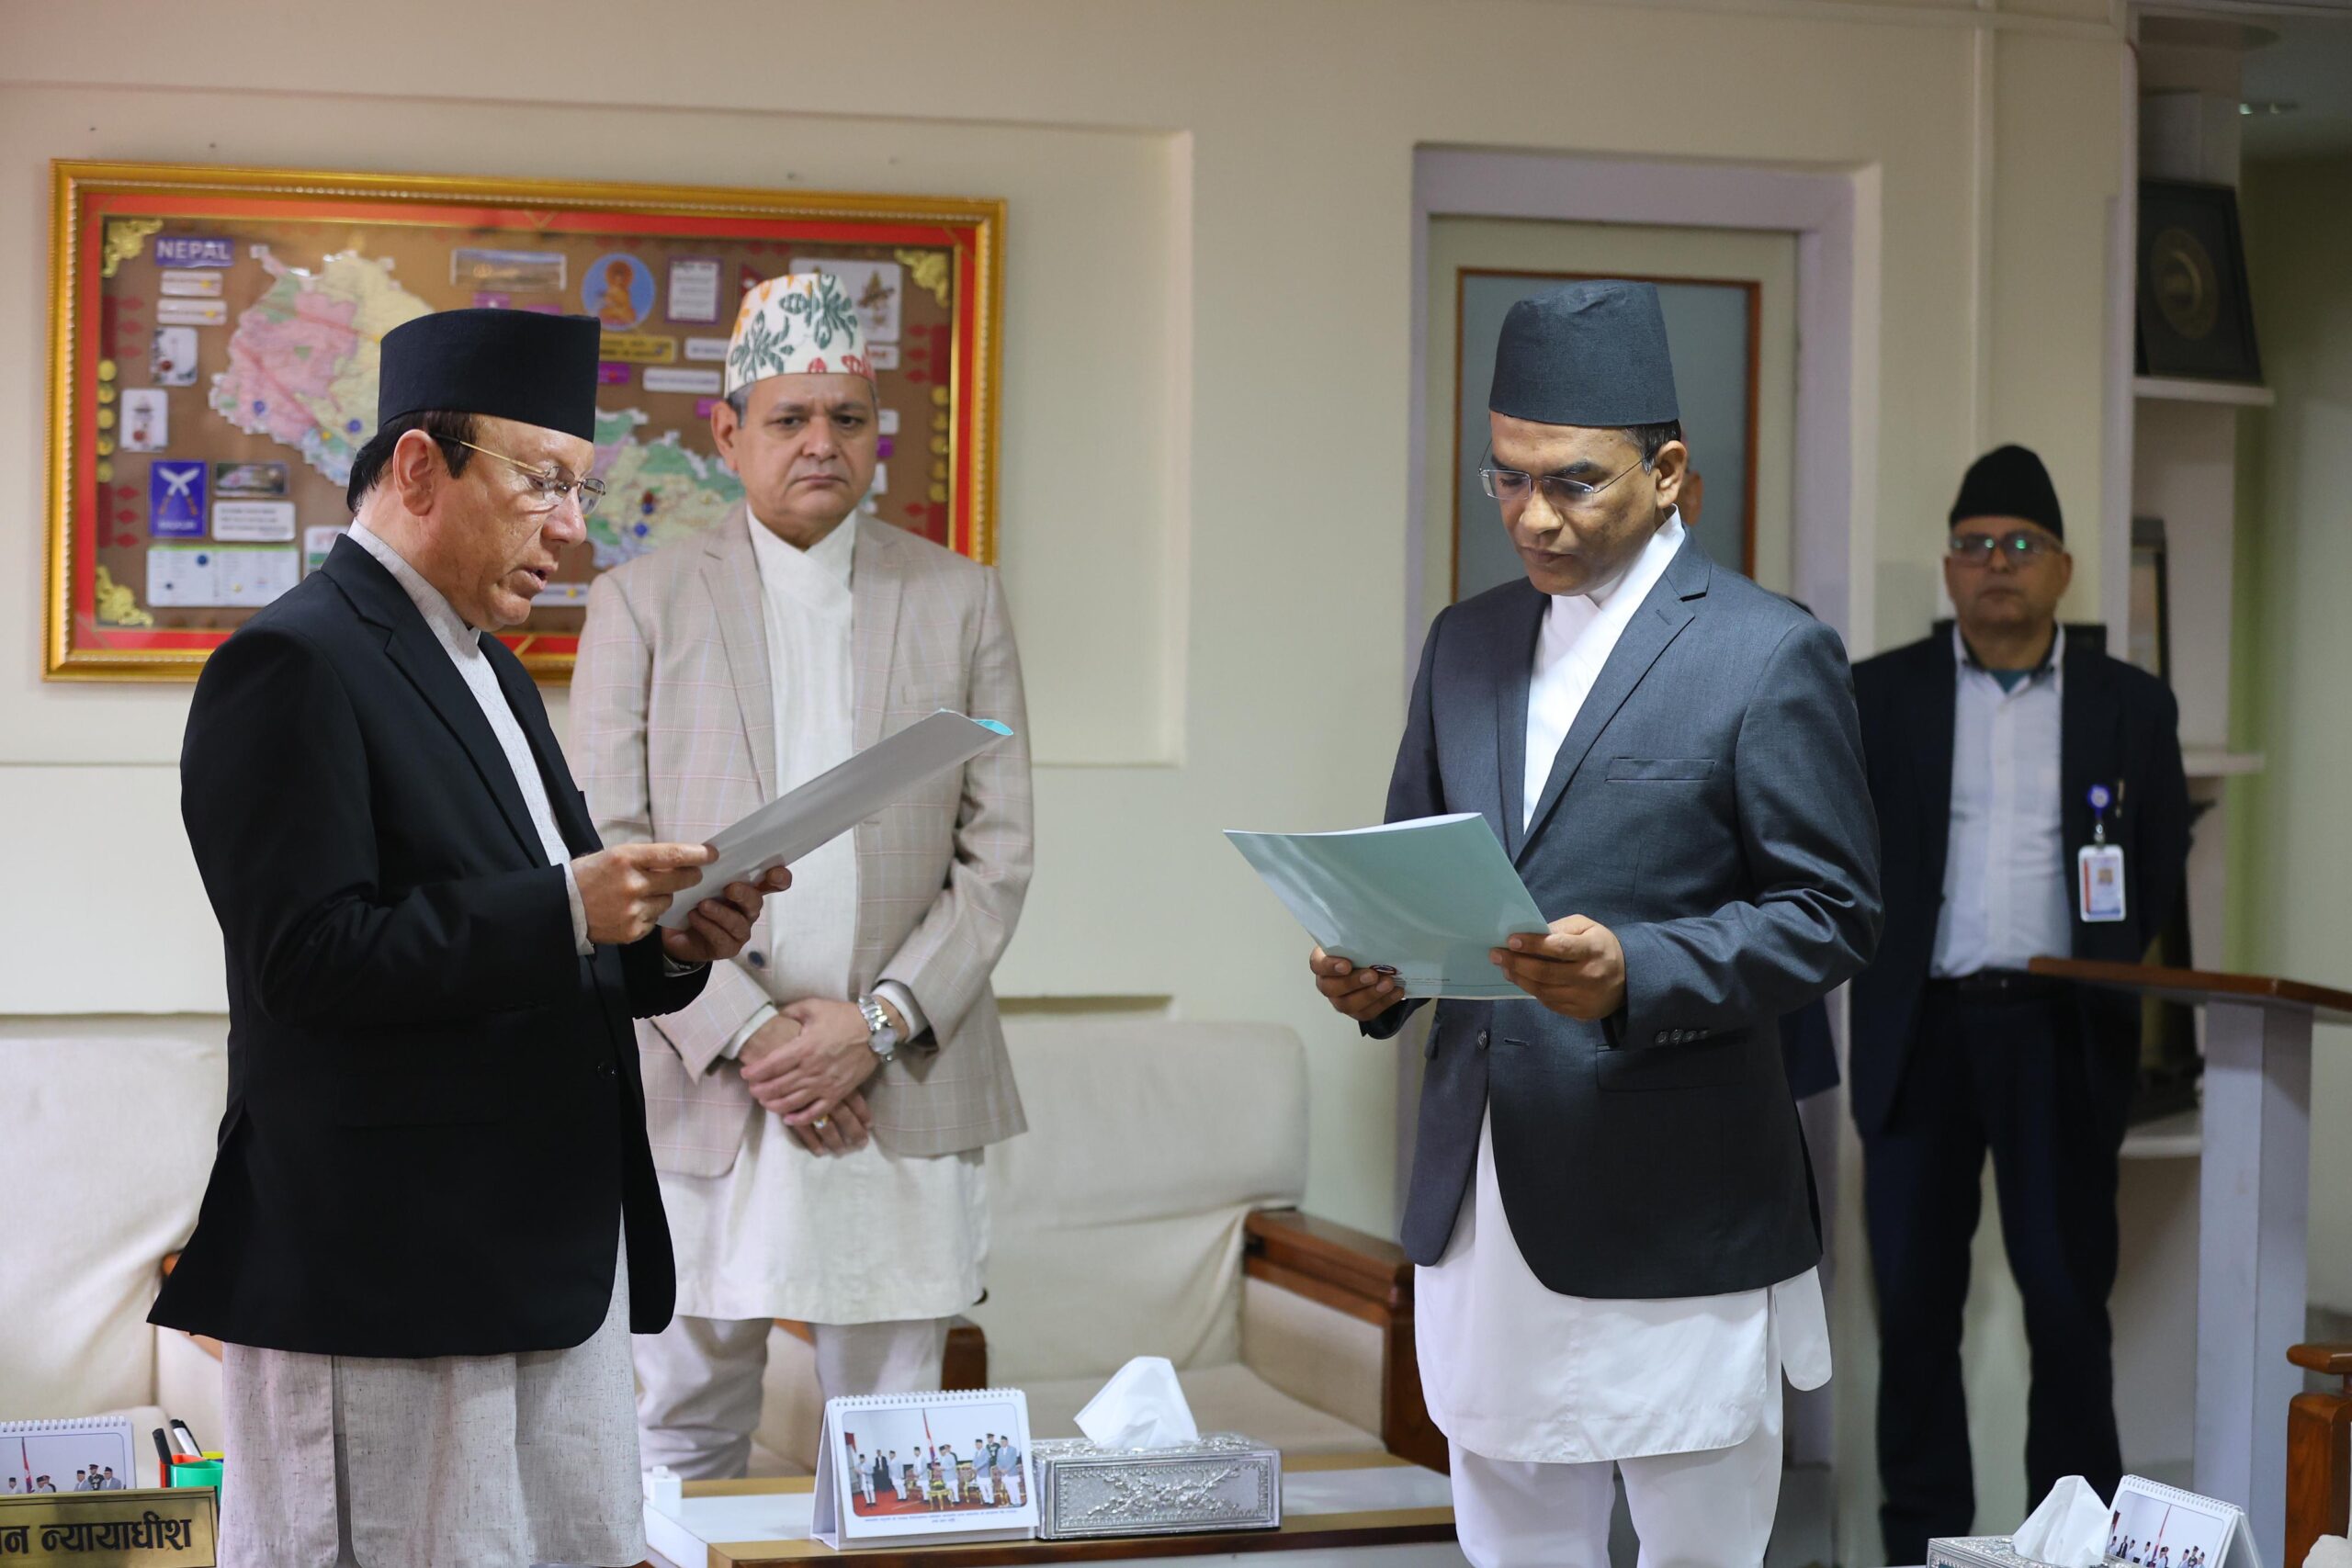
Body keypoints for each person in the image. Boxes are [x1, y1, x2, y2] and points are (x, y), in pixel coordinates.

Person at [151, 309, 785, 1568]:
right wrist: (567, 906)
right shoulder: (291, 662)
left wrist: (669, 944)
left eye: (583, 489)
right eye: (545, 480)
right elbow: (306, 960)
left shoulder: (489, 669)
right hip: (389, 1279)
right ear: (419, 467)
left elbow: (547, 937)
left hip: (545, 1264)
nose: (573, 526)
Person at [1309, 280, 1880, 1568]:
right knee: (1510, 1538)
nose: (1532, 515)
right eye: (1505, 479)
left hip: (1678, 1199)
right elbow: (1415, 872)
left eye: (1572, 482)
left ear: (1666, 472)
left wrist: (1640, 968)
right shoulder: (1465, 642)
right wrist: (1376, 971)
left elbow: (1834, 913)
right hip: (1483, 1188)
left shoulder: (1764, 651)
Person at [576, 271, 1034, 1479]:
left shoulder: (959, 597)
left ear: (878, 432)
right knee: (677, 1429)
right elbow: (607, 844)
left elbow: (999, 850)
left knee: (901, 1445)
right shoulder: (640, 601)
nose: (821, 442)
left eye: (847, 417)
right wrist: (757, 1035)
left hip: (899, 1079)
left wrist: (870, 1028)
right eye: (789, 418)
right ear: (727, 434)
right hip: (706, 1078)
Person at [1849, 446, 2191, 1563]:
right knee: (1913, 1313)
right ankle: (1921, 1546)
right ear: (1949, 568)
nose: (1995, 563)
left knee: (2065, 1309)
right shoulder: (1876, 695)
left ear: (2062, 570)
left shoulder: (2129, 706)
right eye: (1973, 545)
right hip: (1919, 1035)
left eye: (2019, 545)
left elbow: (2152, 868)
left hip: (2059, 1035)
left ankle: (2072, 1549)